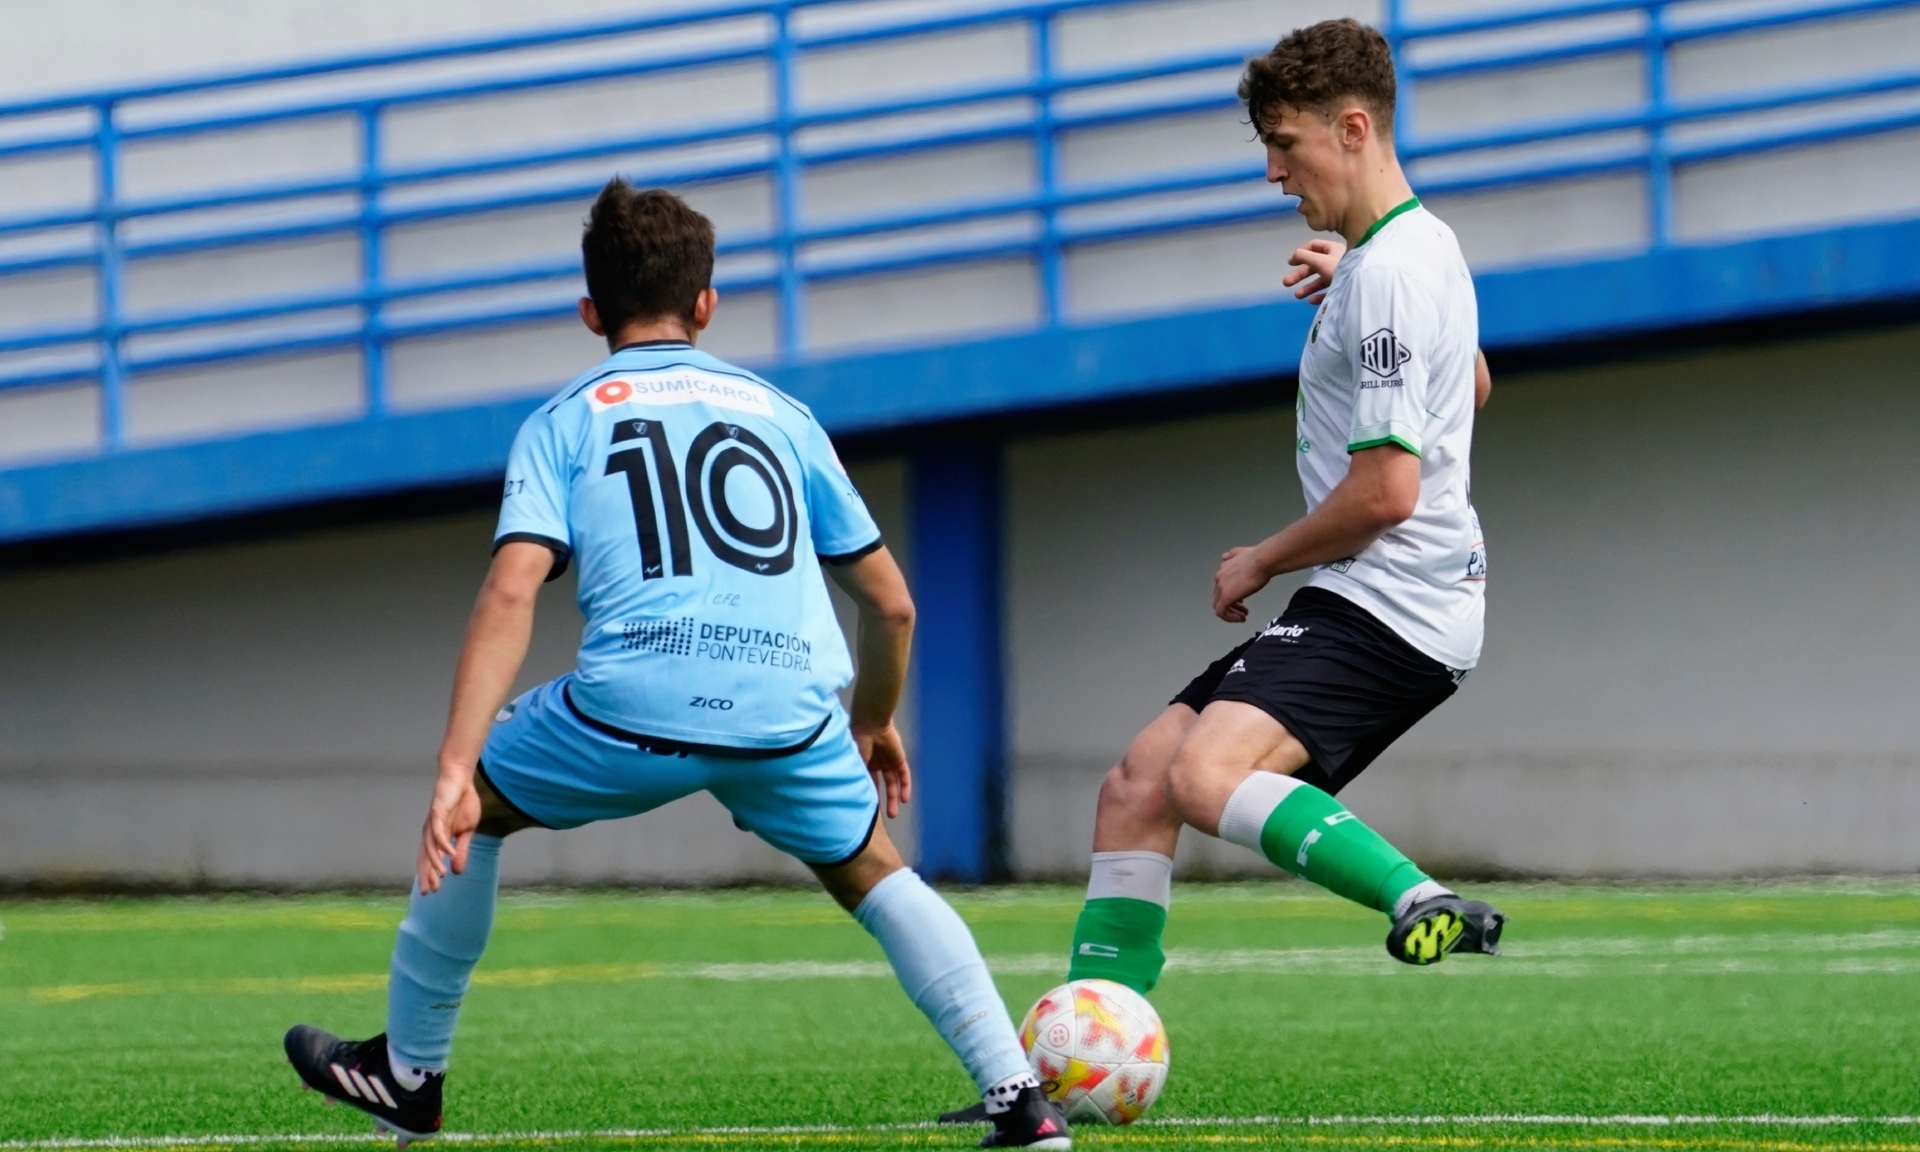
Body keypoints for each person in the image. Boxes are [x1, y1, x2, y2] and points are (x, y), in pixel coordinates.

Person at [282, 180, 1071, 1151]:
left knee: (474, 812)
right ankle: (1019, 1100)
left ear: (588, 312)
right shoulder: (782, 414)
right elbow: (892, 602)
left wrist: (453, 769)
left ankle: (409, 1076)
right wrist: (868, 721)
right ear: (705, 304)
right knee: (874, 869)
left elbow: (512, 591)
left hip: (632, 708)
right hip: (790, 707)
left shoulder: (565, 417)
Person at [1060, 17, 1506, 998]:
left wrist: (1263, 557)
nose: (1271, 170)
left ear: (1353, 129)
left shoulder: (1390, 270)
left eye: (1284, 143)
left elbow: (1388, 492)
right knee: (1138, 785)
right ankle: (1080, 1062)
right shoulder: (1416, 248)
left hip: (1393, 606)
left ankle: (1418, 899)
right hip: (1377, 596)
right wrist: (1356, 290)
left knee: (1203, 778)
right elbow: (1466, 384)